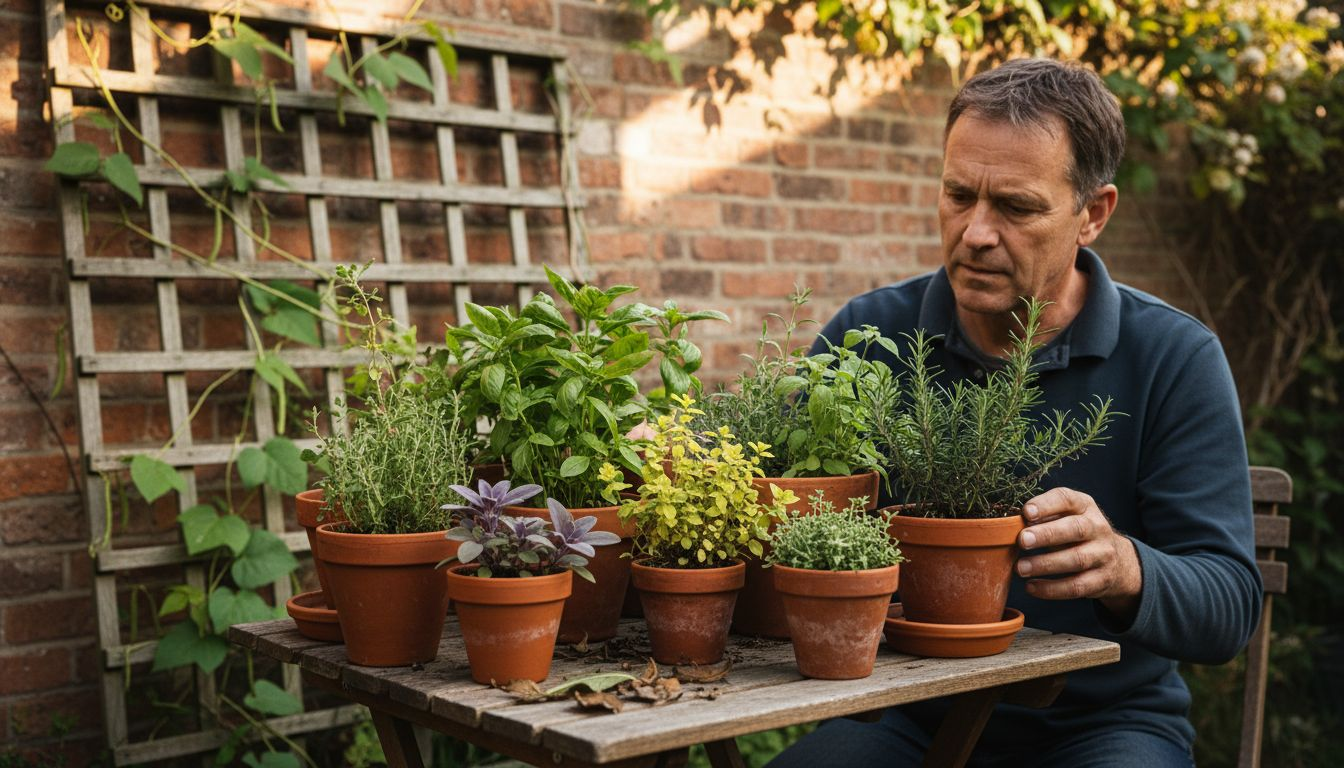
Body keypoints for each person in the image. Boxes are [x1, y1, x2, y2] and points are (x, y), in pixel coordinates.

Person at [768, 58, 1262, 767]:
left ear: (1093, 213)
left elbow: (1228, 605)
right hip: (904, 712)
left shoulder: (1173, 358)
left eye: (1016, 207)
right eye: (958, 194)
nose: (974, 232)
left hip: (1104, 723)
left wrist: (1124, 566)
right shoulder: (869, 337)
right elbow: (773, 496)